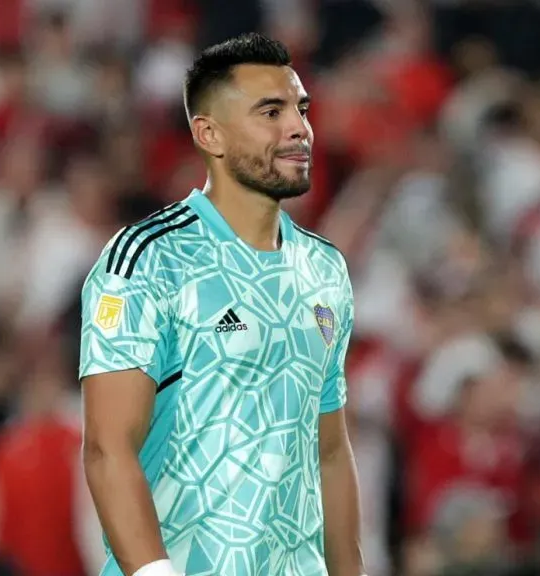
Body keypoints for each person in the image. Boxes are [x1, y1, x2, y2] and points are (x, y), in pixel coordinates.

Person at [79, 33, 365, 576]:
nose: (299, 129)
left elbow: (328, 452)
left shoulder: (325, 270)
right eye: (271, 112)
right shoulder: (147, 259)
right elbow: (107, 450)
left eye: (301, 110)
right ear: (208, 133)